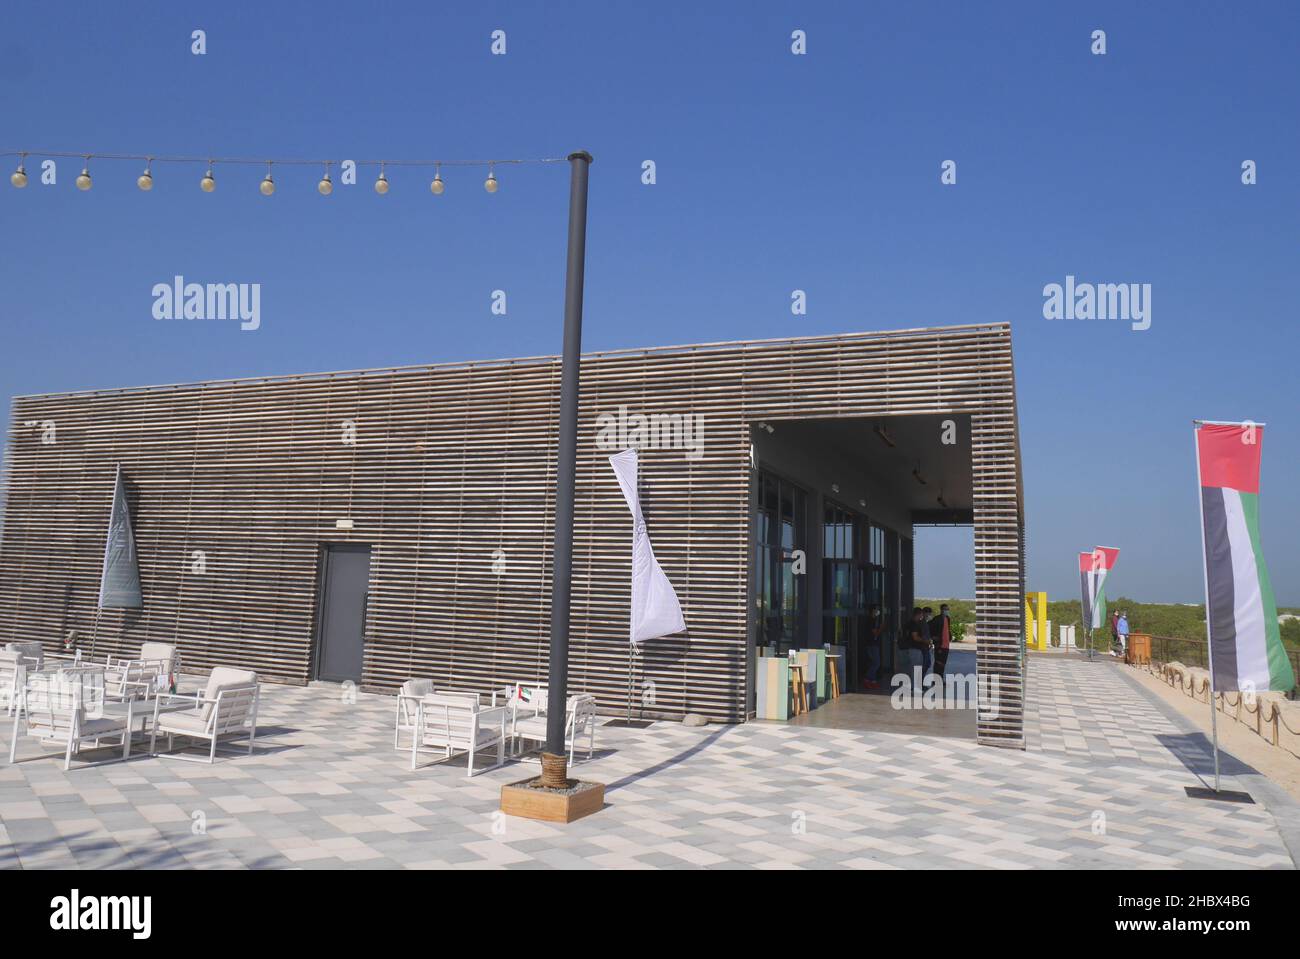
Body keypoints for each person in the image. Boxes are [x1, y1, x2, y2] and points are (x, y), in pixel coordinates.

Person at [900, 607, 928, 690]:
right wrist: (925, 641)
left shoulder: (907, 623)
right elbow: (915, 637)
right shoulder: (915, 624)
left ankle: (911, 686)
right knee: (916, 669)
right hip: (915, 649)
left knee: (911, 668)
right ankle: (915, 687)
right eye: (921, 615)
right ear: (919, 614)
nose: (922, 617)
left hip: (908, 648)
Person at [862, 605, 883, 690]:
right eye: (877, 609)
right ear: (873, 610)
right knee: (876, 663)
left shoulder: (873, 620)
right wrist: (881, 628)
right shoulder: (872, 620)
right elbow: (875, 633)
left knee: (872, 663)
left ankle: (873, 681)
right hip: (872, 644)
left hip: (870, 644)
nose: (878, 611)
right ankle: (867, 679)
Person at [931, 603, 952, 679]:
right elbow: (930, 628)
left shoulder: (948, 618)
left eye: (947, 609)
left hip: (946, 644)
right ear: (941, 610)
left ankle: (940, 678)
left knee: (943, 663)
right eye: (945, 609)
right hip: (939, 644)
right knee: (938, 662)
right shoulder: (936, 619)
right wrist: (933, 637)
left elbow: (947, 629)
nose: (946, 610)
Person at [921, 606, 935, 677]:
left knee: (927, 663)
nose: (929, 615)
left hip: (926, 646)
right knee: (925, 664)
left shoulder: (926, 623)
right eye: (927, 613)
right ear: (923, 613)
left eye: (929, 613)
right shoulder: (922, 623)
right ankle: (920, 680)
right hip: (923, 647)